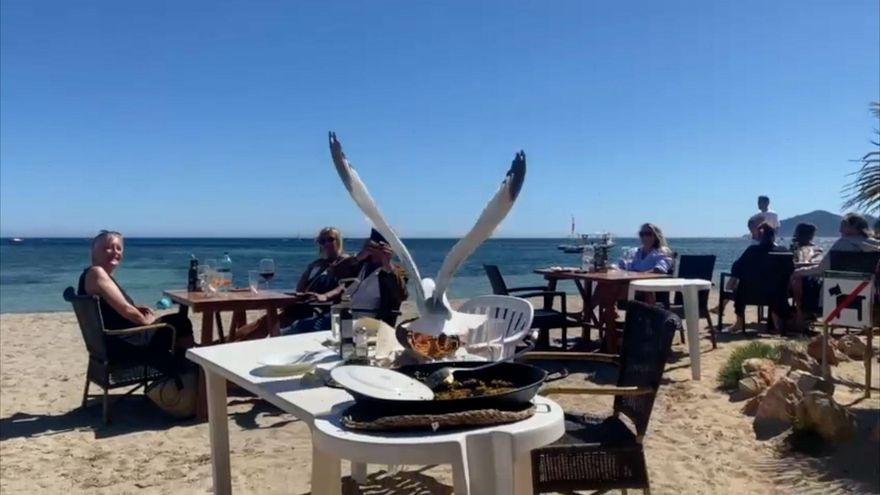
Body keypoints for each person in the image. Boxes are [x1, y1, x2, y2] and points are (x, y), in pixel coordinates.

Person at [78, 231, 194, 377]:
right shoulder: (96, 273)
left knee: (173, 325)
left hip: (109, 345)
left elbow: (113, 307)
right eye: (108, 247)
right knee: (180, 322)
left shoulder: (95, 275)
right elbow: (126, 309)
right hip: (123, 346)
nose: (115, 252)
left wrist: (136, 308)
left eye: (118, 248)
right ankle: (187, 373)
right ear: (93, 250)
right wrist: (148, 321)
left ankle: (177, 371)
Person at [235, 227, 356, 340]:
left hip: (318, 309)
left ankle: (231, 342)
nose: (326, 244)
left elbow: (344, 285)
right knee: (263, 322)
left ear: (339, 241)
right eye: (322, 241)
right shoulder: (320, 265)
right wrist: (310, 268)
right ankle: (228, 341)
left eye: (330, 239)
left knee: (268, 323)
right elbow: (300, 289)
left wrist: (325, 296)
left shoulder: (345, 261)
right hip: (304, 306)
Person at [284, 229, 408, 333]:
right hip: (342, 316)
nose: (376, 249)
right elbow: (336, 271)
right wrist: (360, 257)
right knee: (295, 325)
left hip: (366, 322)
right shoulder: (360, 265)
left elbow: (401, 295)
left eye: (381, 246)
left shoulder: (396, 271)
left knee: (298, 328)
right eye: (373, 245)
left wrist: (387, 264)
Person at [791, 213, 880, 324]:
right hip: (866, 293)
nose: (840, 230)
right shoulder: (876, 246)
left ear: (853, 228)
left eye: (843, 226)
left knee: (798, 277)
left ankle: (802, 317)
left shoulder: (843, 244)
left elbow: (822, 270)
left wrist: (798, 271)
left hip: (836, 294)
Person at [725, 222, 790, 332]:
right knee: (780, 287)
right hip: (776, 295)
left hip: (750, 293)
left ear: (759, 238)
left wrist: (733, 280)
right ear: (774, 236)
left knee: (739, 286)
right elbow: (790, 271)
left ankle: (739, 322)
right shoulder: (783, 251)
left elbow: (738, 266)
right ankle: (779, 324)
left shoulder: (751, 251)